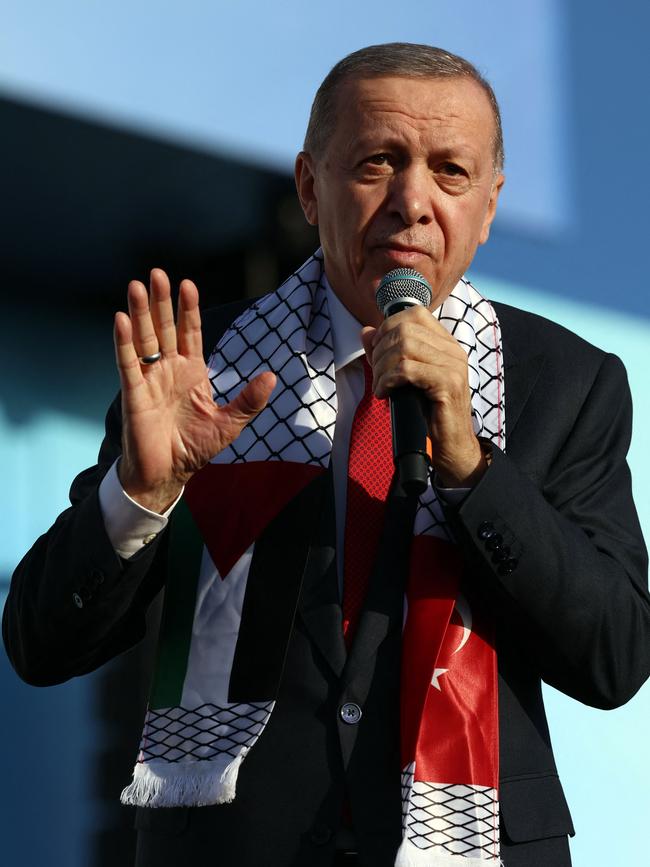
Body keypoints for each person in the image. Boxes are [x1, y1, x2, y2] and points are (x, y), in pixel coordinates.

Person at [4, 43, 649, 867]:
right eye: (379, 161)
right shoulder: (208, 368)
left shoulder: (565, 384)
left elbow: (617, 655)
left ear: (489, 207)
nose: (412, 201)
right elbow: (40, 641)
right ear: (310, 188)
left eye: (450, 172)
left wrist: (475, 472)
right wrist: (142, 491)